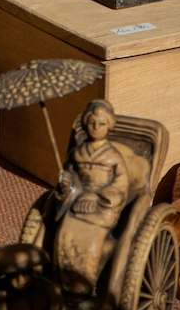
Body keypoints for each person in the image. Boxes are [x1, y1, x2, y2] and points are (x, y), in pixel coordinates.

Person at [53, 100, 133, 295]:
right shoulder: (78, 153)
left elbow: (121, 183)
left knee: (92, 242)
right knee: (64, 235)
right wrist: (66, 183)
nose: (96, 128)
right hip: (77, 201)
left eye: (102, 123)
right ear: (86, 124)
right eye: (92, 123)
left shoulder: (113, 156)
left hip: (102, 206)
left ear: (109, 126)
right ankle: (63, 281)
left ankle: (84, 284)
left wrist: (100, 197)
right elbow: (71, 177)